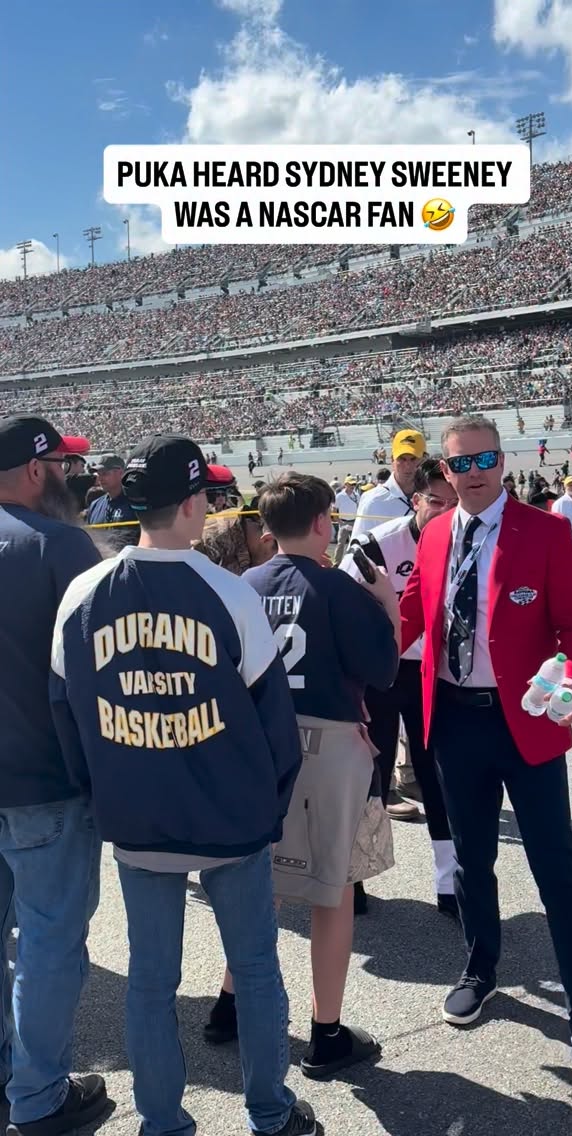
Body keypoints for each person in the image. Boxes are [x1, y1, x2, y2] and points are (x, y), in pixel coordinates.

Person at [49, 435, 316, 1136]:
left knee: (150, 981)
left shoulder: (83, 594)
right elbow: (275, 724)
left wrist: (104, 794)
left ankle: (161, 1122)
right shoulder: (227, 592)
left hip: (138, 820)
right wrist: (268, 811)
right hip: (232, 822)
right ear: (194, 503)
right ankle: (270, 1113)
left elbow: (64, 715)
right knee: (254, 969)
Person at [400, 415, 572, 1075]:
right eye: (460, 463)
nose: (474, 473)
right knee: (471, 860)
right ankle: (480, 968)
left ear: (502, 460)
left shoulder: (544, 531)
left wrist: (568, 683)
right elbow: (409, 615)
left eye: (484, 459)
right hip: (454, 722)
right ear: (444, 470)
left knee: (557, 869)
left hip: (526, 720)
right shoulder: (436, 533)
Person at [206, 472, 399, 1080]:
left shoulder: (244, 584)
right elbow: (383, 668)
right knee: (330, 890)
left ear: (266, 528)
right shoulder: (337, 587)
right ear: (322, 522)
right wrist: (389, 604)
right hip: (326, 743)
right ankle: (327, 1030)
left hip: (260, 743)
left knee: (259, 882)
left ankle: (229, 1005)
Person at [0, 415, 107, 1136]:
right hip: (44, 781)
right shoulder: (59, 544)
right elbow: (95, 673)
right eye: (62, 466)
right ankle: (37, 1096)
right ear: (38, 469)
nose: (70, 477)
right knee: (48, 943)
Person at [341, 459, 458, 911]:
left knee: (437, 776)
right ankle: (352, 878)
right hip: (382, 674)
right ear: (416, 500)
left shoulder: (464, 540)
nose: (444, 511)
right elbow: (342, 606)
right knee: (370, 775)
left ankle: (449, 883)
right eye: (435, 502)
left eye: (453, 503)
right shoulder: (377, 544)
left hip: (435, 673)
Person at [351, 429, 426, 540]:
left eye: (413, 459)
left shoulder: (435, 497)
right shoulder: (373, 501)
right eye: (402, 459)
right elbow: (358, 545)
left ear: (424, 460)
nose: (408, 465)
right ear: (392, 460)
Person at [86, 455, 139, 547]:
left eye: (105, 473)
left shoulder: (136, 503)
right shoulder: (95, 505)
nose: (100, 478)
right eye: (98, 474)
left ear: (121, 473)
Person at [333, 476, 359, 566]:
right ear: (345, 485)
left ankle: (354, 563)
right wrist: (341, 523)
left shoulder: (357, 495)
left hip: (354, 522)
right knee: (340, 544)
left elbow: (359, 508)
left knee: (356, 544)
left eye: (354, 484)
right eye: (351, 484)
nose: (353, 486)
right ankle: (336, 563)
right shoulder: (339, 496)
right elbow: (334, 511)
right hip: (343, 522)